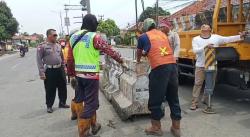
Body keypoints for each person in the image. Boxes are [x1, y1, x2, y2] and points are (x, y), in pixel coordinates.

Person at [67, 14, 126, 137]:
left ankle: (94, 125)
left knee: (85, 101)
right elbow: (109, 50)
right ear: (92, 24)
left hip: (79, 76)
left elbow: (70, 59)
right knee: (91, 104)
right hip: (90, 77)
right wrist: (121, 60)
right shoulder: (94, 37)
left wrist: (71, 75)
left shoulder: (73, 38)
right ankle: (83, 132)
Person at [137, 18, 182, 137]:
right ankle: (176, 128)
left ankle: (156, 128)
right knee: (173, 97)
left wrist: (138, 60)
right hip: (172, 66)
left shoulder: (143, 37)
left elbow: (140, 51)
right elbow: (157, 49)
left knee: (156, 99)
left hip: (159, 69)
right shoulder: (162, 34)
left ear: (145, 27)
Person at [190, 24, 246, 111]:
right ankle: (194, 102)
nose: (205, 31)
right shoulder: (196, 39)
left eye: (207, 30)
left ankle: (205, 99)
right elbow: (195, 50)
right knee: (198, 83)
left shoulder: (216, 38)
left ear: (210, 30)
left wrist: (240, 36)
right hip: (200, 65)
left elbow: (228, 39)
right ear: (201, 30)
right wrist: (205, 46)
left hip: (212, 65)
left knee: (211, 84)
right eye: (203, 30)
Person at [36, 29, 69, 113]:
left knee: (63, 86)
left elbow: (61, 57)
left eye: (56, 35)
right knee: (50, 88)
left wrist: (64, 68)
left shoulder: (58, 45)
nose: (56, 36)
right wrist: (41, 73)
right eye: (54, 35)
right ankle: (49, 105)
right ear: (49, 36)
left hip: (59, 69)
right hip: (50, 70)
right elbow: (39, 60)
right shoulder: (42, 46)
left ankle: (62, 102)